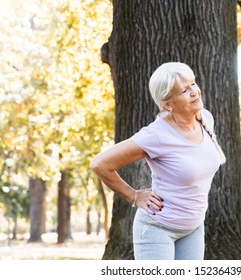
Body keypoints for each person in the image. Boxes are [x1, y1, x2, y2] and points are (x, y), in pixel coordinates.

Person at [90, 62, 226, 260]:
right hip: (157, 228)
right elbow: (100, 164)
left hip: (193, 228)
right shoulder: (156, 135)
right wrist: (134, 196)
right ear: (167, 104)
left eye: (193, 84)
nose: (194, 92)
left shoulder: (205, 119)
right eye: (184, 90)